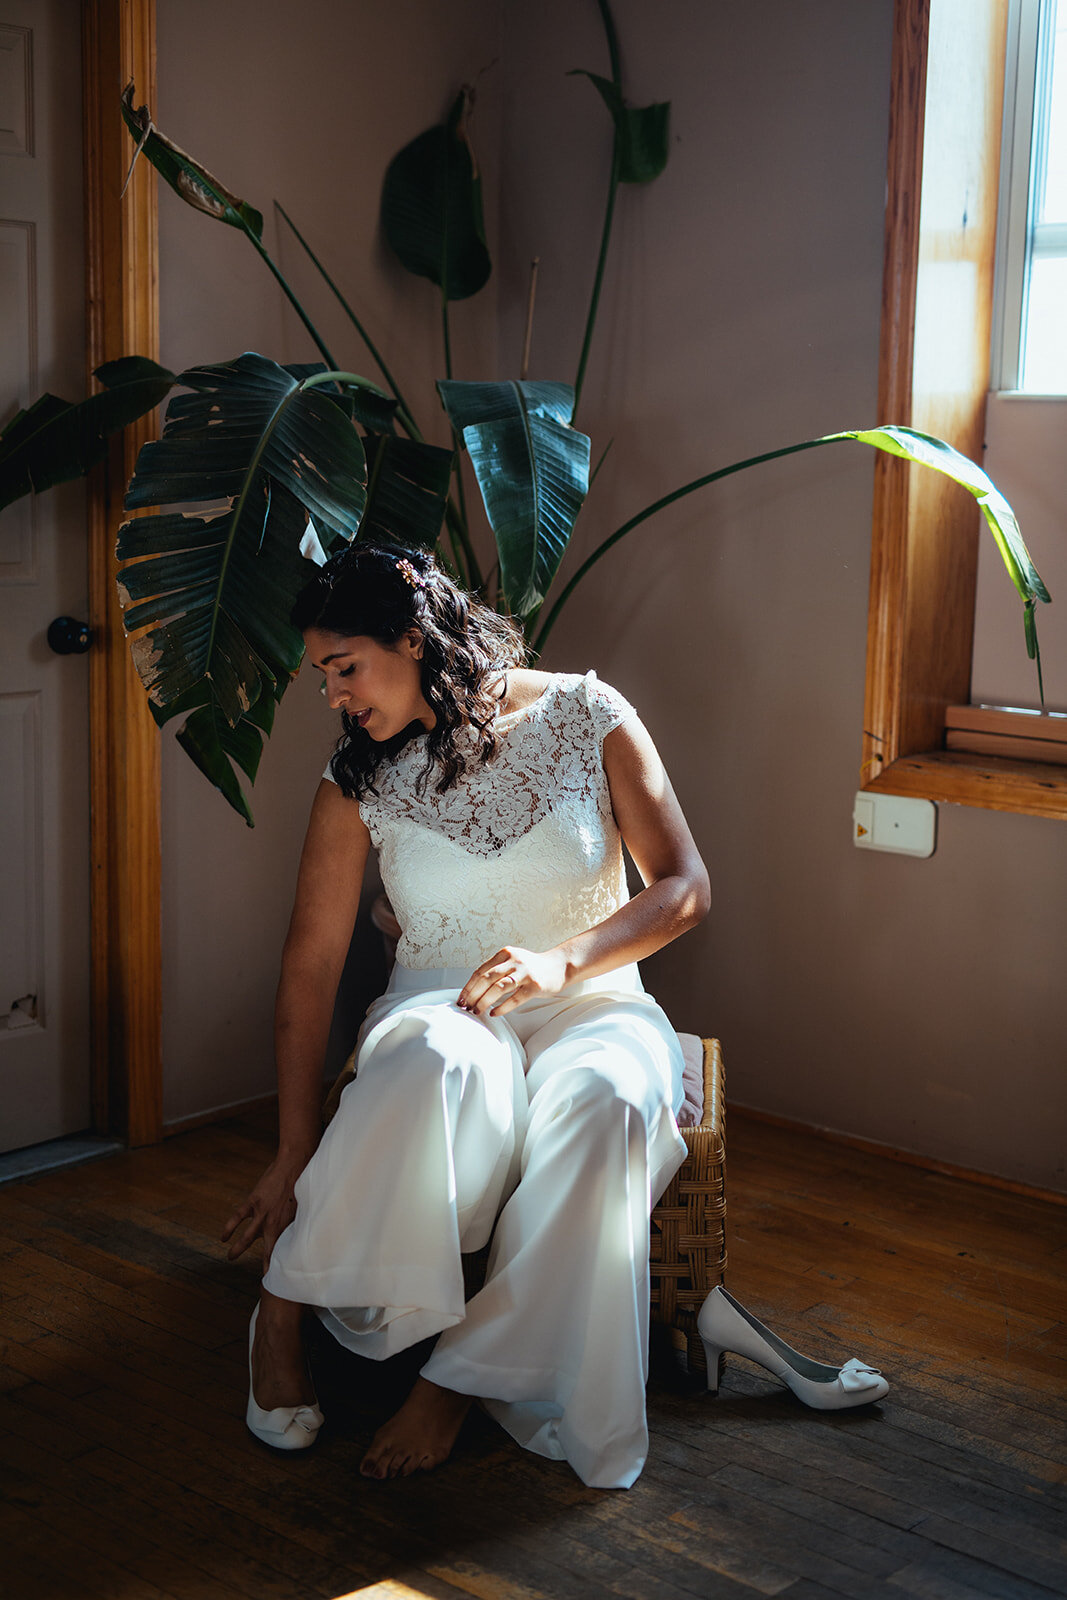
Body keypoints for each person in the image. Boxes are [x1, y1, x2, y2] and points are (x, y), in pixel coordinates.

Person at [220, 542, 885, 1489]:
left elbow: (686, 888)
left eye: (344, 668)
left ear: (414, 640)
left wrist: (560, 959)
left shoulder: (586, 713)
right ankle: (283, 1302)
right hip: (440, 1001)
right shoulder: (355, 777)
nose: (332, 695)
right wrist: (291, 1151)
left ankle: (454, 1382)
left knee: (609, 1101)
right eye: (322, 675)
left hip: (593, 998)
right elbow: (310, 965)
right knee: (432, 1065)